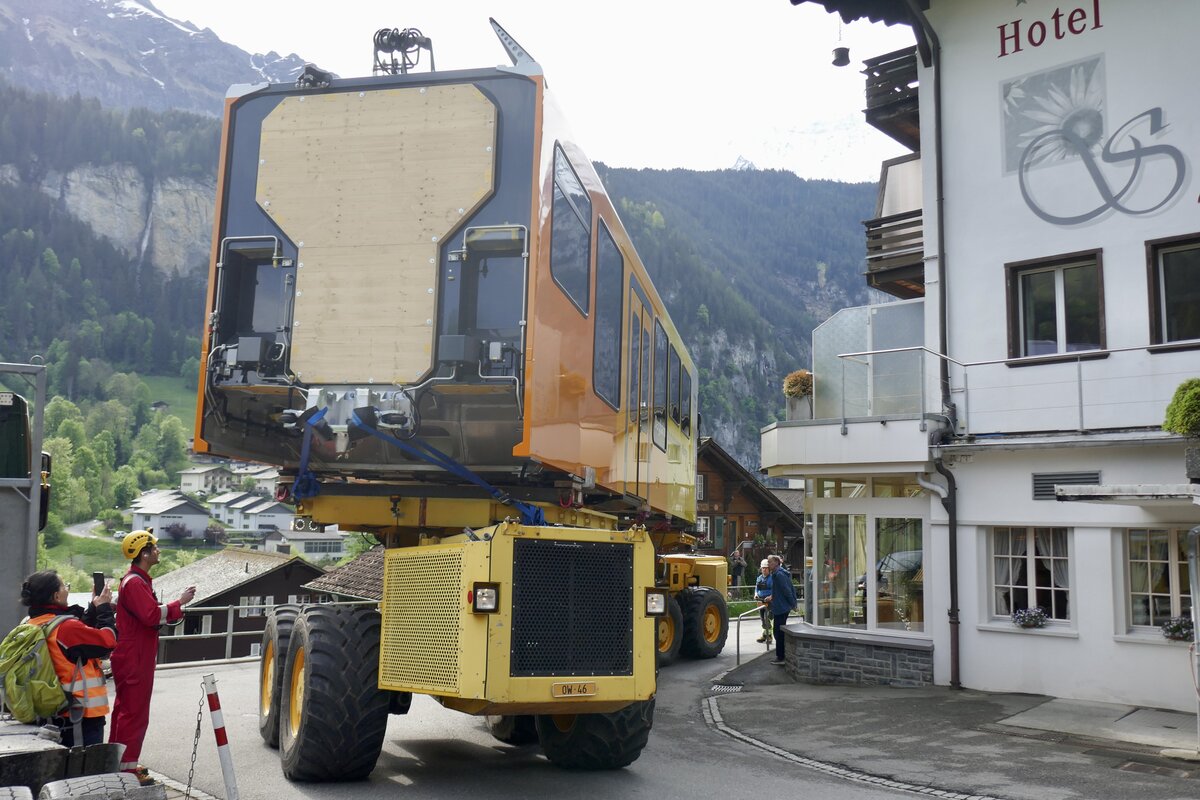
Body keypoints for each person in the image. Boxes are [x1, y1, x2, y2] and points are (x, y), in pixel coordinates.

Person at [109, 530, 195, 784]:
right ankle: (127, 770)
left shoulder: (135, 581)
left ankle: (119, 762)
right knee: (134, 713)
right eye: (154, 548)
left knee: (125, 711)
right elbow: (149, 615)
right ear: (143, 553)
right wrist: (179, 602)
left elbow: (148, 614)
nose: (158, 551)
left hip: (133, 652)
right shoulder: (135, 583)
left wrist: (172, 609)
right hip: (135, 655)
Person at [19, 569, 117, 746]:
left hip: (47, 713)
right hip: (80, 716)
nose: (68, 589)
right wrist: (104, 609)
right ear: (56, 596)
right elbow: (108, 641)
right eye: (65, 585)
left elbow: (77, 642)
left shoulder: (28, 623)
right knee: (86, 771)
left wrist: (93, 608)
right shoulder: (66, 628)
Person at [762, 554, 797, 665]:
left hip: (781, 608)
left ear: (777, 562)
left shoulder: (779, 575)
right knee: (778, 632)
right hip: (780, 606)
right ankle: (781, 656)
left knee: (778, 633)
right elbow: (780, 590)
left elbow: (787, 590)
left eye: (770, 562)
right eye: (768, 562)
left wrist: (793, 604)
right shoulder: (777, 574)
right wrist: (772, 597)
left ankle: (781, 657)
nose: (768, 564)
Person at [753, 559, 773, 645]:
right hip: (760, 600)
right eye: (763, 568)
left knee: (767, 618)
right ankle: (764, 635)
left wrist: (771, 596)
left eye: (766, 568)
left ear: (769, 569)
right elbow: (756, 588)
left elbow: (774, 589)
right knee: (762, 618)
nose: (764, 570)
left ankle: (769, 636)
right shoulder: (759, 578)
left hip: (769, 600)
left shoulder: (772, 579)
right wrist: (756, 594)